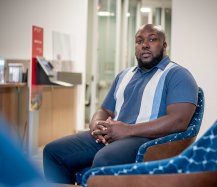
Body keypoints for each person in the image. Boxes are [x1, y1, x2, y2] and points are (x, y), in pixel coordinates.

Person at [43, 24, 198, 184]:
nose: (144, 45)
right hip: (114, 135)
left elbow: (179, 121)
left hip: (148, 141)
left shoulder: (177, 75)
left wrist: (128, 130)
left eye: (152, 39)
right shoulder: (124, 75)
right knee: (53, 152)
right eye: (139, 41)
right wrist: (96, 124)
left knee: (105, 159)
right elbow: (104, 110)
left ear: (164, 45)